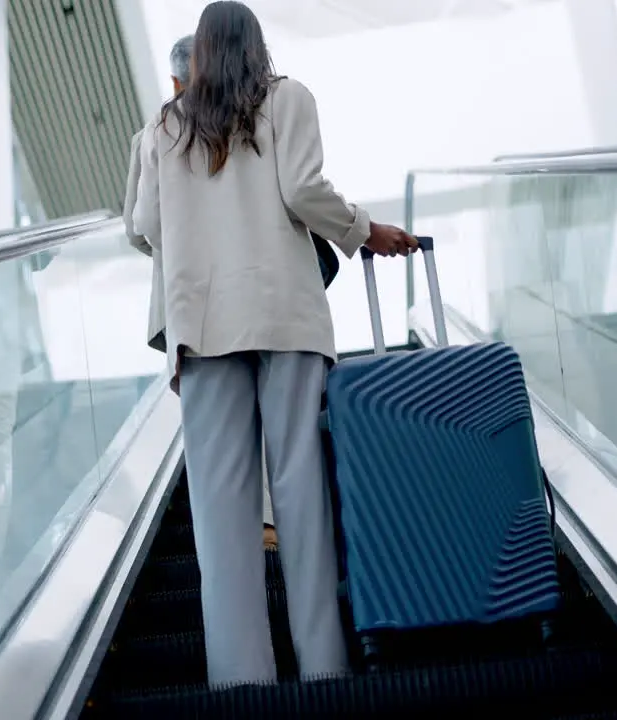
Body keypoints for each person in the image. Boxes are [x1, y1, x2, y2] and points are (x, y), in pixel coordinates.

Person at [132, 1, 417, 687]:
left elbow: (142, 226)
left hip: (201, 327)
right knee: (299, 490)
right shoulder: (287, 99)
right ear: (255, 47)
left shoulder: (162, 128)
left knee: (221, 509)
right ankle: (323, 666)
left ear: (197, 54)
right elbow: (303, 189)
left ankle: (240, 680)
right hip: (284, 315)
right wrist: (362, 229)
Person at [124, 34, 282, 551]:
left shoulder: (151, 134)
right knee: (258, 399)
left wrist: (178, 253)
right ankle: (265, 519)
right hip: (241, 288)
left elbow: (137, 226)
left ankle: (228, 530)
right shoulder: (243, 122)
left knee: (212, 416)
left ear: (175, 81)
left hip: (184, 300)